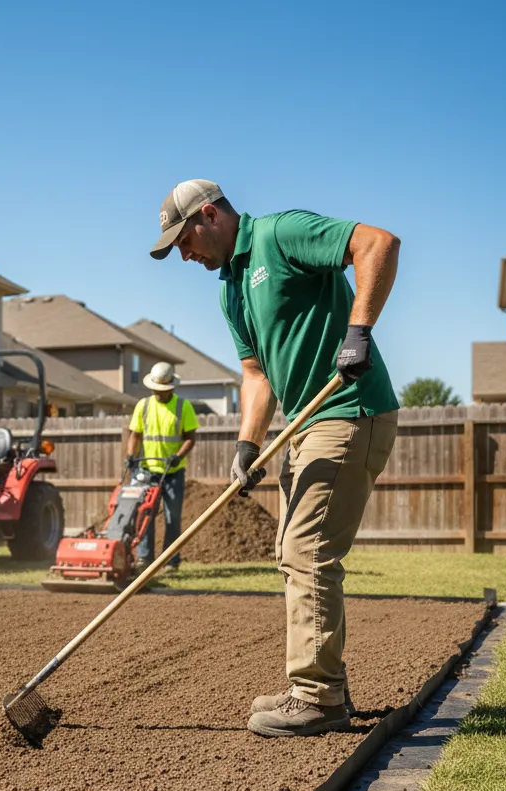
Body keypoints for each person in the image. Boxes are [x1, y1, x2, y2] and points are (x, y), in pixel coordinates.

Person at [149, 179, 400, 737]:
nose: (184, 255)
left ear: (209, 215)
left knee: (306, 551)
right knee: (291, 554)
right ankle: (323, 683)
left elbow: (378, 243)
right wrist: (246, 444)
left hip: (349, 409)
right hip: (304, 425)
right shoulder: (229, 289)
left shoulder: (281, 233)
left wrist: (358, 331)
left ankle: (318, 698)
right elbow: (256, 375)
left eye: (183, 240)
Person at [126, 362, 198, 572]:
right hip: (147, 471)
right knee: (145, 514)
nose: (158, 393)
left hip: (173, 472)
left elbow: (190, 438)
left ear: (171, 388)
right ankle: (144, 559)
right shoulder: (143, 405)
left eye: (162, 391)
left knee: (171, 517)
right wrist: (130, 456)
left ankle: (170, 561)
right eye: (155, 390)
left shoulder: (183, 407)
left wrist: (178, 456)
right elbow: (135, 435)